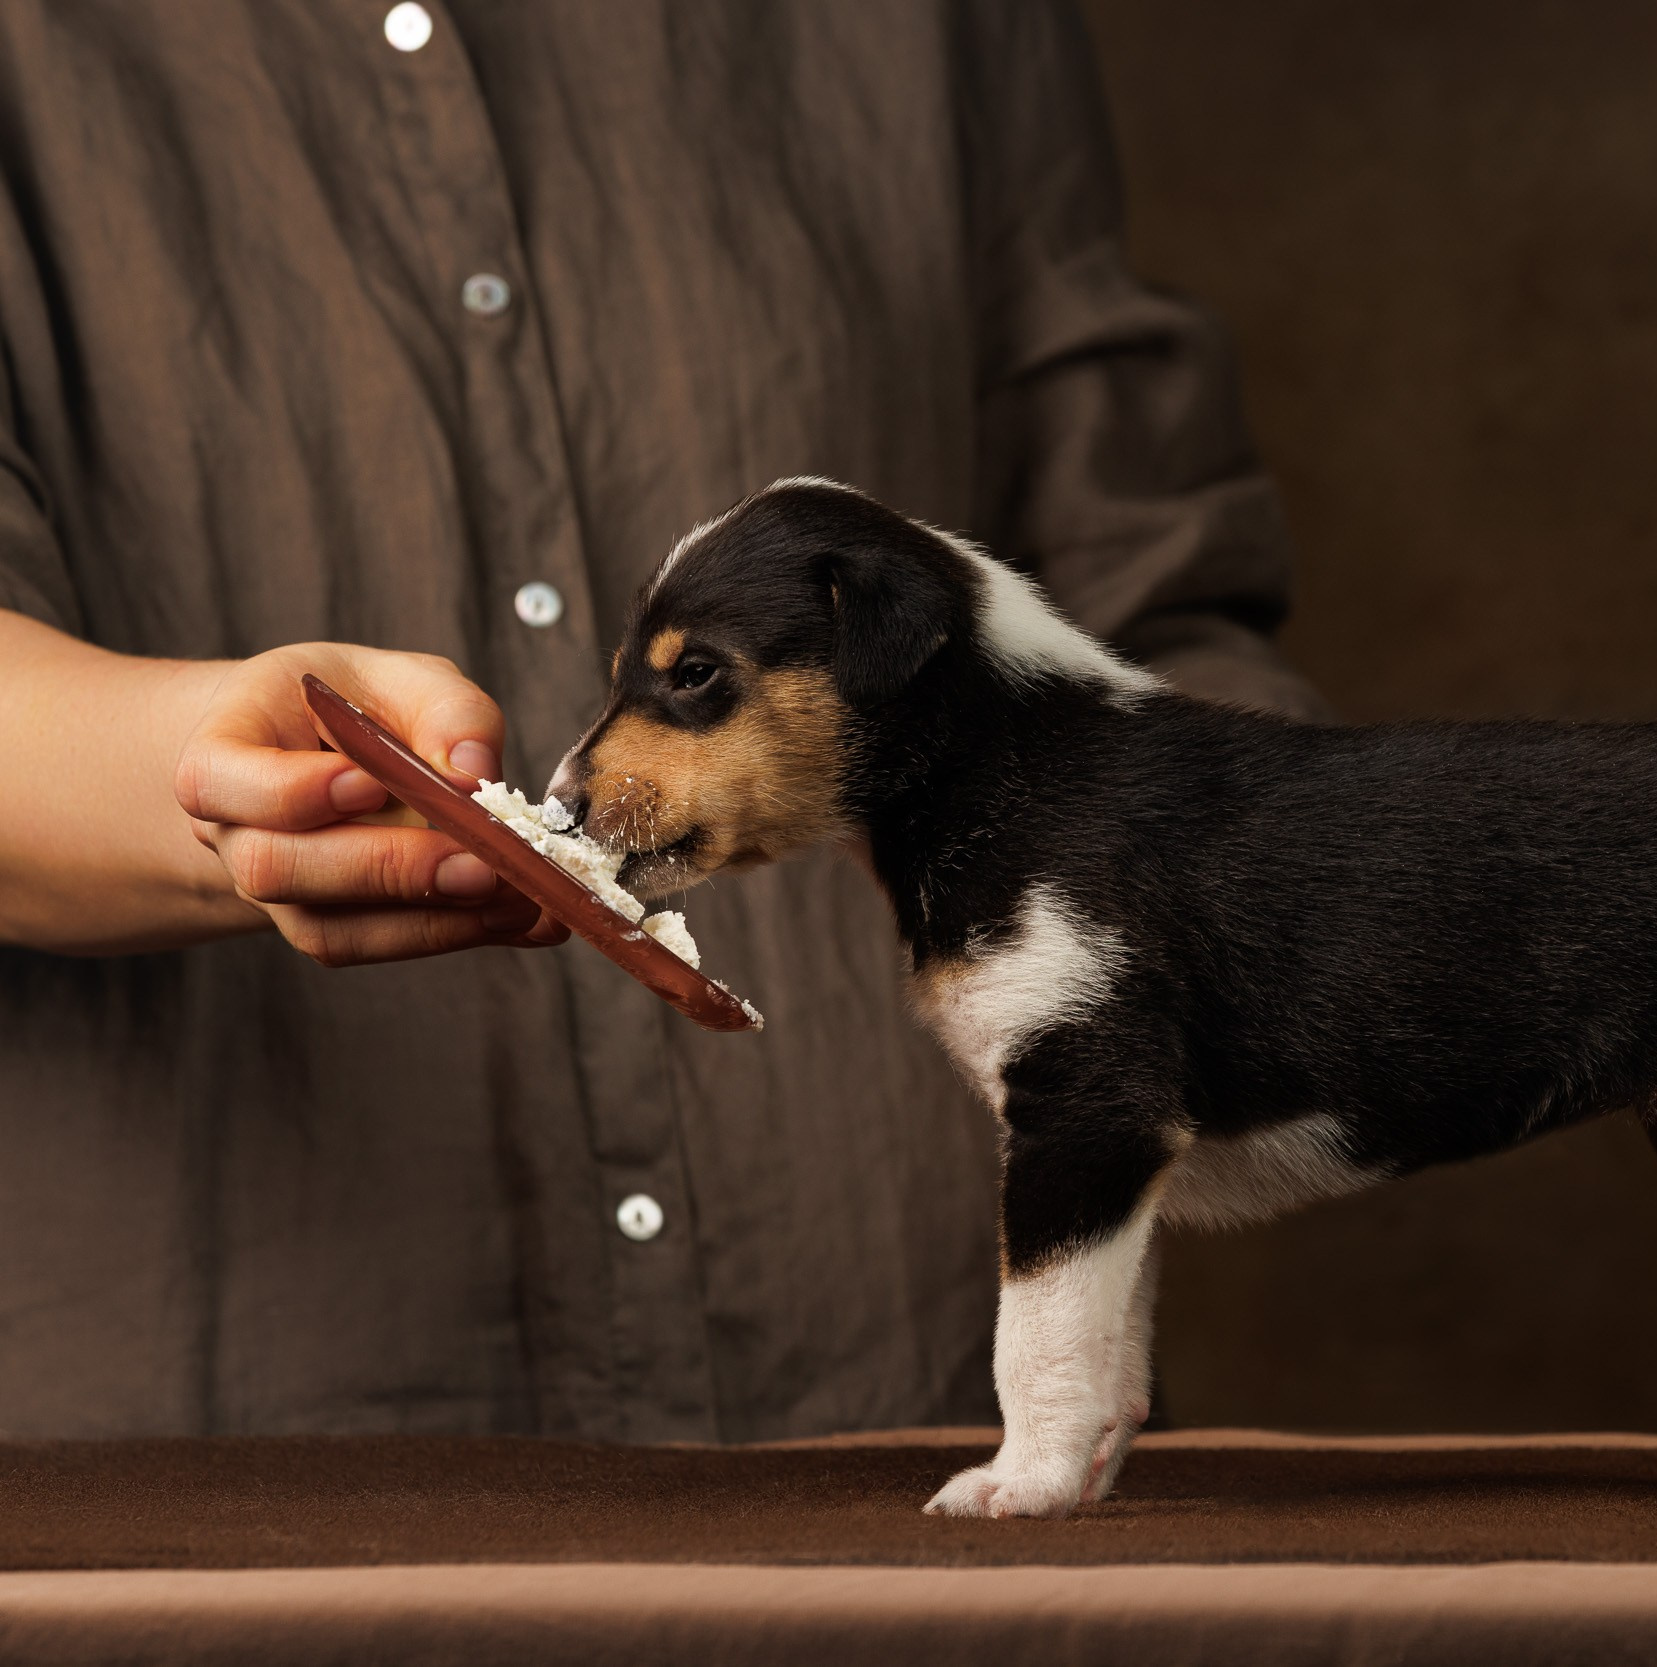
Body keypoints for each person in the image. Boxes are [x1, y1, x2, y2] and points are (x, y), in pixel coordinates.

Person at [0, 1, 1320, 1440]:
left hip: (917, 1416)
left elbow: (1144, 596)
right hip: (246, 1453)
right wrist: (214, 783)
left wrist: (1298, 924)